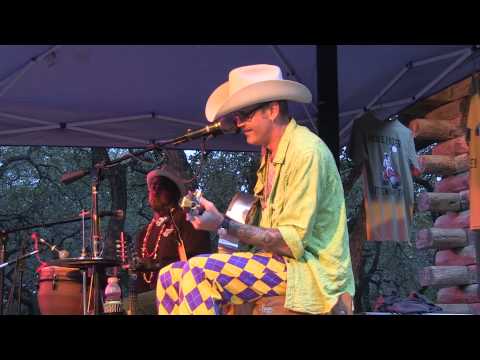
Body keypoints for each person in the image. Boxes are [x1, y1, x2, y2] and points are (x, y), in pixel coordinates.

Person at [155, 64, 355, 315]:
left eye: (245, 114)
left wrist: (222, 224)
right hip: (277, 264)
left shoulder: (306, 152)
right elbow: (263, 233)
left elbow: (291, 245)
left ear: (272, 110)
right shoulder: (270, 155)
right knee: (168, 276)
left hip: (310, 272)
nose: (238, 123)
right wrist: (220, 223)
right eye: (237, 116)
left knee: (198, 272)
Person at [127, 165, 211, 314]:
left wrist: (154, 264)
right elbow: (140, 280)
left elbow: (199, 262)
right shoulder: (144, 233)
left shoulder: (188, 219)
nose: (155, 191)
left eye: (161, 186)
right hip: (152, 295)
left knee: (124, 306)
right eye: (152, 187)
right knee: (118, 304)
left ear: (174, 192)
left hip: (181, 289)